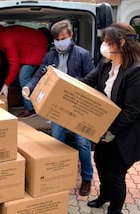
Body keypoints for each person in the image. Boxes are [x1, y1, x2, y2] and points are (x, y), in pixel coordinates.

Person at [82, 22, 140, 214]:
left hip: (130, 129)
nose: (104, 45)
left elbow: (132, 111)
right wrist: (61, 83)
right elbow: (85, 82)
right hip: (110, 125)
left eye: (108, 41)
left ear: (121, 43)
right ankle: (104, 195)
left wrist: (110, 131)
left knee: (115, 173)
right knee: (100, 160)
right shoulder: (106, 65)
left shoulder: (136, 72)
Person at [22, 19, 95, 196]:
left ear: (71, 36)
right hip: (57, 106)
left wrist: (72, 84)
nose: (60, 42)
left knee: (83, 144)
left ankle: (87, 178)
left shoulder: (83, 55)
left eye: (63, 38)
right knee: (56, 140)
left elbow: (92, 79)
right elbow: (39, 74)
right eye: (57, 39)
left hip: (79, 107)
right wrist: (28, 87)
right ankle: (60, 174)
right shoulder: (50, 56)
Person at [0, 24, 48, 117]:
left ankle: (31, 108)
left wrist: (6, 85)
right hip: (27, 48)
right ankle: (23, 101)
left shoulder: (6, 38)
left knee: (23, 76)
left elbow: (14, 65)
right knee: (16, 78)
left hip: (37, 46)